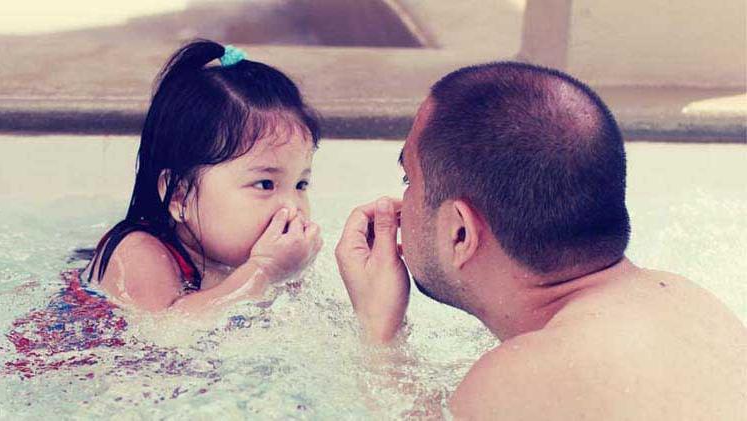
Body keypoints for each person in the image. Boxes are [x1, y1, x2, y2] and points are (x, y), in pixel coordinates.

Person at [335, 62, 746, 420]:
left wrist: (379, 336)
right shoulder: (688, 301)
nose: (401, 207)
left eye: (409, 180)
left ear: (460, 233)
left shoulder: (519, 378)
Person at [84, 39, 323, 313]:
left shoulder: (248, 261)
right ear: (180, 196)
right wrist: (264, 271)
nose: (292, 207)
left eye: (301, 184)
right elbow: (166, 333)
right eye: (265, 184)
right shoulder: (139, 252)